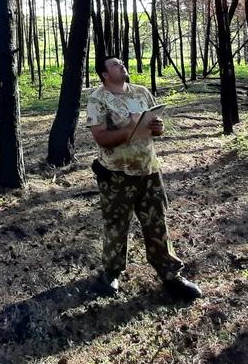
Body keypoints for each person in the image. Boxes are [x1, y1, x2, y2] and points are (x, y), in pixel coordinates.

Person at [85, 56, 201, 300]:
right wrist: (130, 130)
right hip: (116, 174)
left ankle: (171, 275)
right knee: (116, 225)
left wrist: (158, 128)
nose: (122, 65)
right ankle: (111, 274)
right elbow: (100, 138)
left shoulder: (141, 92)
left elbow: (157, 126)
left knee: (157, 223)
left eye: (121, 63)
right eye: (115, 65)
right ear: (105, 74)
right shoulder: (98, 99)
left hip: (148, 170)